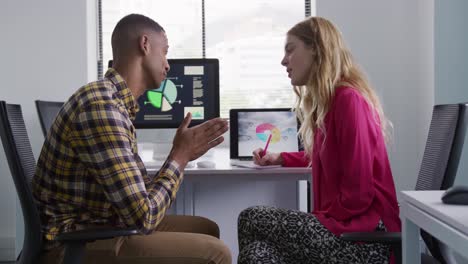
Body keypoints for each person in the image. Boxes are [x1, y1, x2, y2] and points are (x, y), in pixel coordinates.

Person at [33, 14, 231, 264]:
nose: (168, 65)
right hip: (74, 243)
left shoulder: (115, 103)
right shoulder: (102, 107)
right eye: (165, 52)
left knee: (206, 228)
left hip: (98, 224)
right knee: (216, 253)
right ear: (145, 44)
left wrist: (181, 153)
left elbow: (137, 196)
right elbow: (143, 217)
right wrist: (180, 157)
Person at [237, 17, 401, 264]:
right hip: (343, 230)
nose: (283, 60)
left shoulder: (349, 100)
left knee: (251, 218)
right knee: (257, 254)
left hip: (366, 239)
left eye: (290, 50)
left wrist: (318, 219)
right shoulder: (328, 104)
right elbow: (327, 154)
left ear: (316, 49)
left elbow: (359, 194)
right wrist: (280, 157)